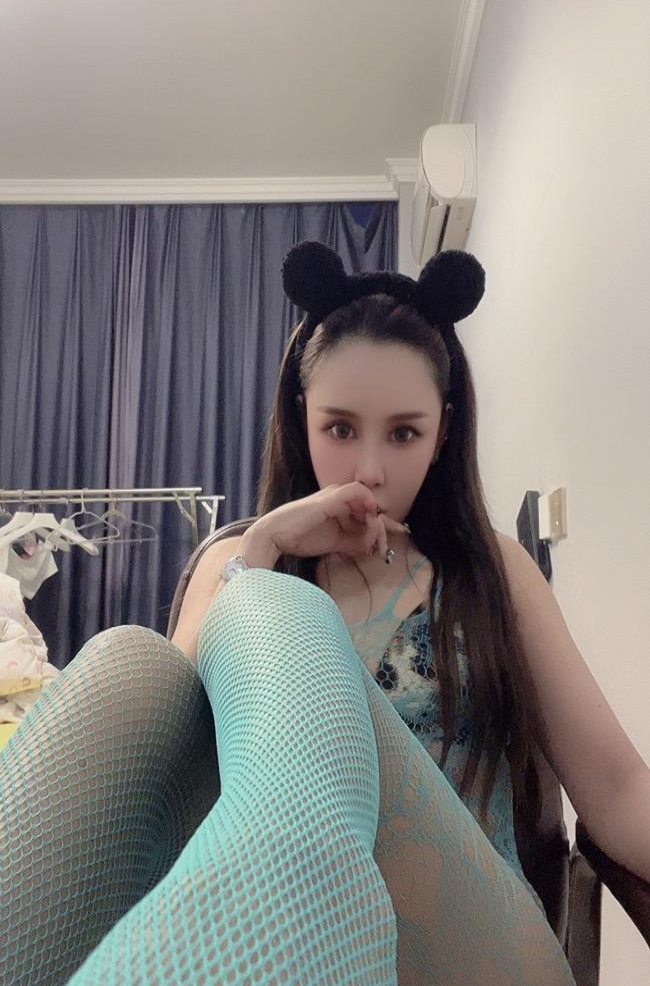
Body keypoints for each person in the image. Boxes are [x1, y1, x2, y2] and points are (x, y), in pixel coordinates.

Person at [1, 242, 648, 986]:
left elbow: (619, 788)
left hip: (476, 952)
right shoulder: (243, 563)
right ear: (300, 418)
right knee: (125, 657)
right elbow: (163, 772)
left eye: (403, 433)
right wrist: (265, 545)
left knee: (281, 612)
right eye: (340, 429)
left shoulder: (491, 571)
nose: (369, 469)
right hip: (274, 938)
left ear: (443, 433)